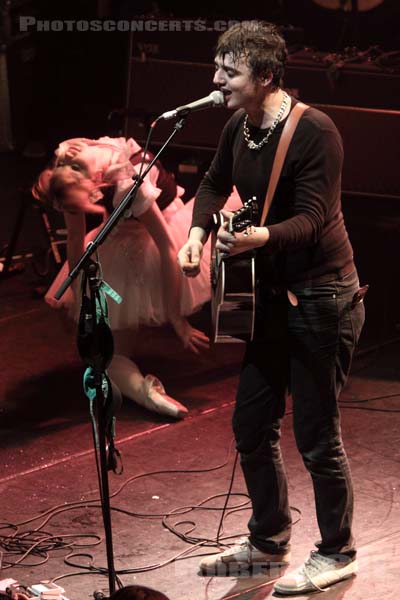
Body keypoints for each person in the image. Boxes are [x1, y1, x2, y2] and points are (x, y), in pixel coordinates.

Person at [177, 21, 366, 595]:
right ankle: (267, 539)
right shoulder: (239, 125)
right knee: (251, 425)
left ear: (264, 76)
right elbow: (212, 184)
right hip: (267, 298)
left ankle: (338, 551)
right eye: (217, 68)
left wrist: (260, 237)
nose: (216, 80)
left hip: (321, 297)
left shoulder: (316, 132)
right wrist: (197, 232)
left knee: (315, 434)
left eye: (228, 72)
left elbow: (311, 218)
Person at [33, 136, 241, 419]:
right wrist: (79, 293)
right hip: (119, 235)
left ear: (95, 180)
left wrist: (176, 319)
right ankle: (148, 394)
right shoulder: (65, 164)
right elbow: (75, 241)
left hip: (162, 230)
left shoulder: (128, 183)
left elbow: (168, 248)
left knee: (238, 216)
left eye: (90, 199)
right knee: (104, 354)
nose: (93, 202)